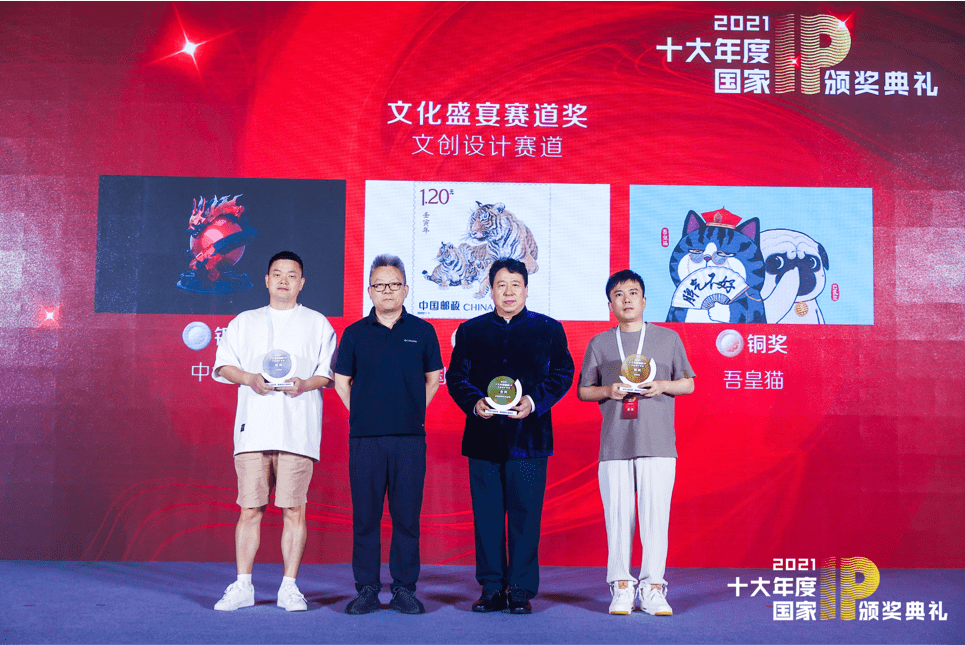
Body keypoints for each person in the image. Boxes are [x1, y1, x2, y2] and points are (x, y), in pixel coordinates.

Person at [211, 251, 337, 612]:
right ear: (267, 281)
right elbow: (224, 366)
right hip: (253, 431)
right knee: (250, 509)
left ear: (302, 283)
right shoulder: (244, 322)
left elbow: (327, 374)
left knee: (294, 510)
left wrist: (305, 384)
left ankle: (289, 588)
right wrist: (250, 378)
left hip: (297, 431)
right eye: (277, 274)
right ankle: (243, 585)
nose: (284, 280)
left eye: (291, 275)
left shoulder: (317, 323)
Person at [447, 257, 574, 615]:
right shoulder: (470, 331)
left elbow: (563, 373)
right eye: (501, 285)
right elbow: (456, 377)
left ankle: (520, 588)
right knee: (486, 516)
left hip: (529, 438)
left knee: (525, 515)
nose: (508, 292)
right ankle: (491, 587)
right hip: (483, 437)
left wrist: (535, 402)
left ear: (526, 290)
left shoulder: (548, 329)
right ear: (490, 290)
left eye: (515, 284)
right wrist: (474, 403)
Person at [577, 269, 695, 616]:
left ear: (644, 300)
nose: (626, 300)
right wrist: (608, 390)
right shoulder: (600, 343)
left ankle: (654, 587)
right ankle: (621, 585)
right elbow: (584, 391)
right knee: (618, 518)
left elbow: (688, 383)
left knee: (656, 517)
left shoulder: (668, 339)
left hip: (658, 442)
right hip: (615, 442)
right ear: (610, 304)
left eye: (632, 293)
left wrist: (662, 386)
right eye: (618, 294)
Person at [333, 255, 443, 615]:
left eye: (394, 284)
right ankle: (366, 589)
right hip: (365, 440)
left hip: (409, 439)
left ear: (405, 289)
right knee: (365, 518)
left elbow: (433, 379)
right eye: (379, 285)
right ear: (370, 291)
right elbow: (341, 381)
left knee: (406, 518)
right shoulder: (355, 333)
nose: (387, 291)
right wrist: (362, 414)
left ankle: (404, 589)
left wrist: (413, 411)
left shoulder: (423, 331)